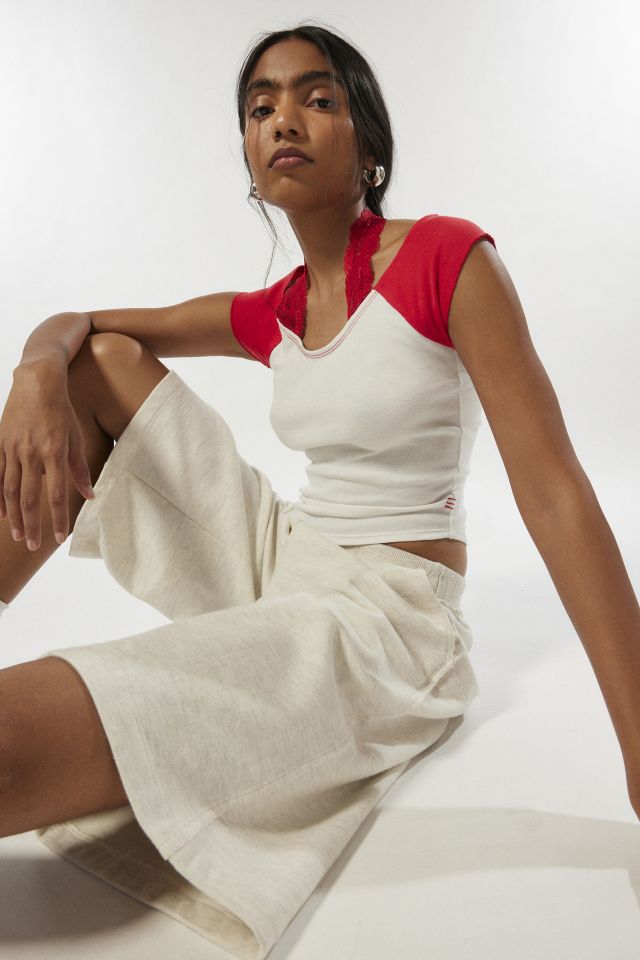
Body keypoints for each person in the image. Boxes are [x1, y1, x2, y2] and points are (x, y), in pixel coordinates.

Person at [1, 20, 639, 960]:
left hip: (387, 617)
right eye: (260, 106)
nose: (283, 119)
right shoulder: (281, 308)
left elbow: (555, 494)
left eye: (317, 97)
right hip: (288, 558)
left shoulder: (447, 258)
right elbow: (82, 325)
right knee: (96, 365)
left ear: (367, 146)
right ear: (250, 156)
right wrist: (35, 376)